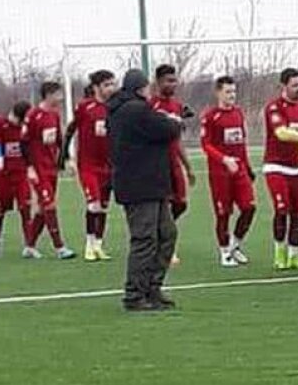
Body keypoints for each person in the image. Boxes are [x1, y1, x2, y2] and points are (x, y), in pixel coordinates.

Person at [107, 68, 184, 312]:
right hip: (142, 186)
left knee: (166, 234)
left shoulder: (121, 110)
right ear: (141, 88)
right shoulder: (135, 110)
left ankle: (152, 287)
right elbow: (166, 130)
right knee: (145, 239)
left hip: (146, 184)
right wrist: (174, 121)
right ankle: (135, 294)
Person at [200, 75, 256, 267]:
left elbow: (242, 143)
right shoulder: (210, 116)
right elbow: (205, 145)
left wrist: (247, 167)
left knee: (249, 207)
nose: (232, 95)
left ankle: (235, 244)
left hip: (239, 171)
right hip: (219, 173)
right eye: (228, 92)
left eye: (234, 92)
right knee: (223, 213)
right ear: (218, 93)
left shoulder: (239, 113)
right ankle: (224, 251)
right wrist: (224, 160)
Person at [65, 70, 117, 262]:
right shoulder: (85, 108)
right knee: (93, 205)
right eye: (107, 85)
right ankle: (89, 245)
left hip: (109, 166)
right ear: (96, 88)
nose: (111, 88)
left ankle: (99, 246)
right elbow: (70, 130)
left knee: (103, 207)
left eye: (113, 84)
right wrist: (66, 157)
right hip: (88, 165)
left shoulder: (116, 107)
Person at [148, 64, 197, 266]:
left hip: (174, 163)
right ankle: (167, 248)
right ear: (158, 82)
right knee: (165, 205)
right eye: (169, 80)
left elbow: (177, 141)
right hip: (158, 164)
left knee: (181, 203)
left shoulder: (177, 107)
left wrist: (188, 167)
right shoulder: (150, 106)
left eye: (174, 80)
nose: (173, 84)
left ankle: (162, 236)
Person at [263, 68, 298, 270]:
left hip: (296, 169)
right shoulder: (274, 107)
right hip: (275, 166)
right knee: (282, 209)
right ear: (284, 86)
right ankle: (279, 253)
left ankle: (294, 255)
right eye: (294, 85)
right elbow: (282, 133)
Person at [22, 81, 76, 260]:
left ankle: (29, 246)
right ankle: (60, 247)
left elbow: (59, 140)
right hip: (38, 170)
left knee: (42, 209)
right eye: (58, 94)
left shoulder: (54, 115)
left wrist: (66, 160)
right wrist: (29, 167)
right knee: (49, 205)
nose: (61, 98)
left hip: (50, 168)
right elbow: (24, 143)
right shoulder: (33, 115)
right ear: (49, 94)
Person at [0, 101, 33, 257]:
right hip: (3, 176)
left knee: (26, 209)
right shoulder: (0, 124)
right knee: (0, 211)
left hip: (21, 174)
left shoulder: (25, 127)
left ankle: (29, 246)